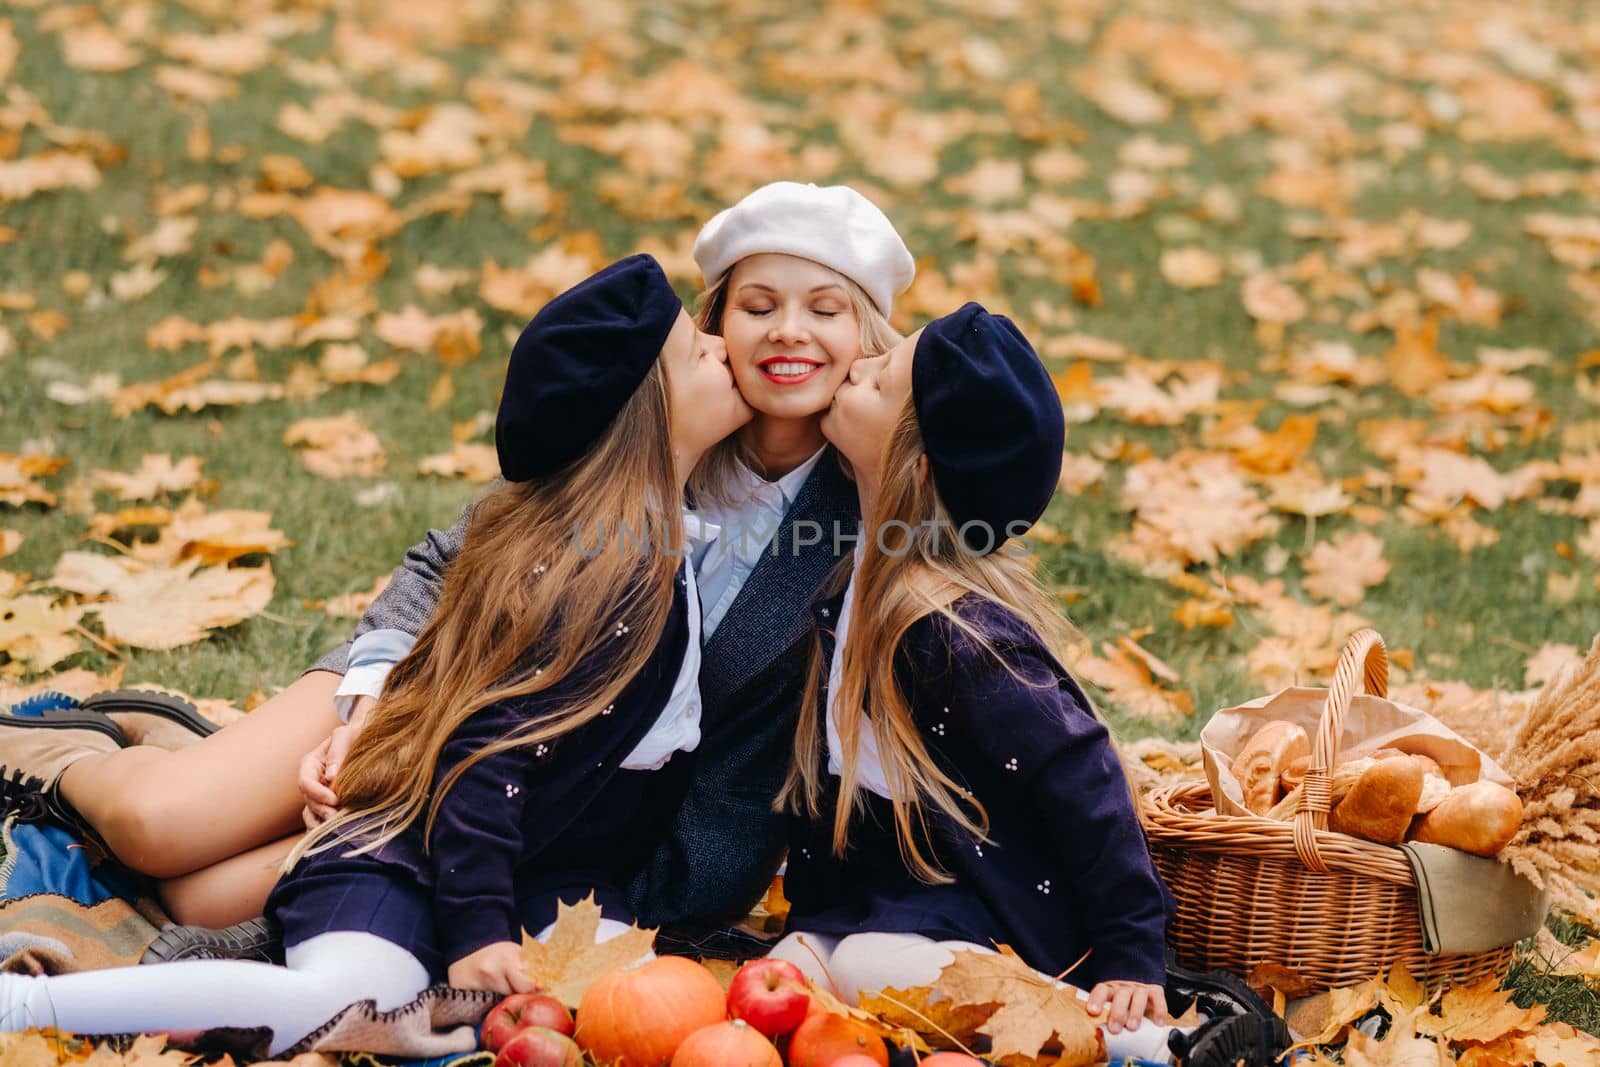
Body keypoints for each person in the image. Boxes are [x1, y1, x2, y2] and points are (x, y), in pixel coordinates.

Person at [0, 181, 913, 937]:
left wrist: (623, 903)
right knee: (163, 826)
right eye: (758, 306)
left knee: (197, 899)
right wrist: (366, 704)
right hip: (430, 678)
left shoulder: (861, 515)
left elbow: (754, 790)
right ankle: (55, 753)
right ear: (714, 323)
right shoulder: (659, 416)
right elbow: (457, 558)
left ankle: (183, 772)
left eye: (824, 309)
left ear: (868, 336)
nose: (788, 331)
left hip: (536, 810)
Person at [0, 255, 752, 1055]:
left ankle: (271, 938)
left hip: (476, 839)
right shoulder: (608, 567)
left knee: (206, 902)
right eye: (695, 349)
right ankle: (29, 981)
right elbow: (483, 754)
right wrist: (477, 927)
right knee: (187, 852)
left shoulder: (660, 534)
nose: (720, 346)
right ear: (643, 416)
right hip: (420, 823)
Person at [768, 304, 1200, 1063]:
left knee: (866, 965)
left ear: (916, 461)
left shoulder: (955, 636)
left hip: (992, 914)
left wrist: (1132, 948)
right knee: (789, 967)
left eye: (882, 378)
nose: (859, 365)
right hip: (889, 900)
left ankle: (1136, 1041)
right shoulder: (857, 581)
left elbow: (1083, 774)